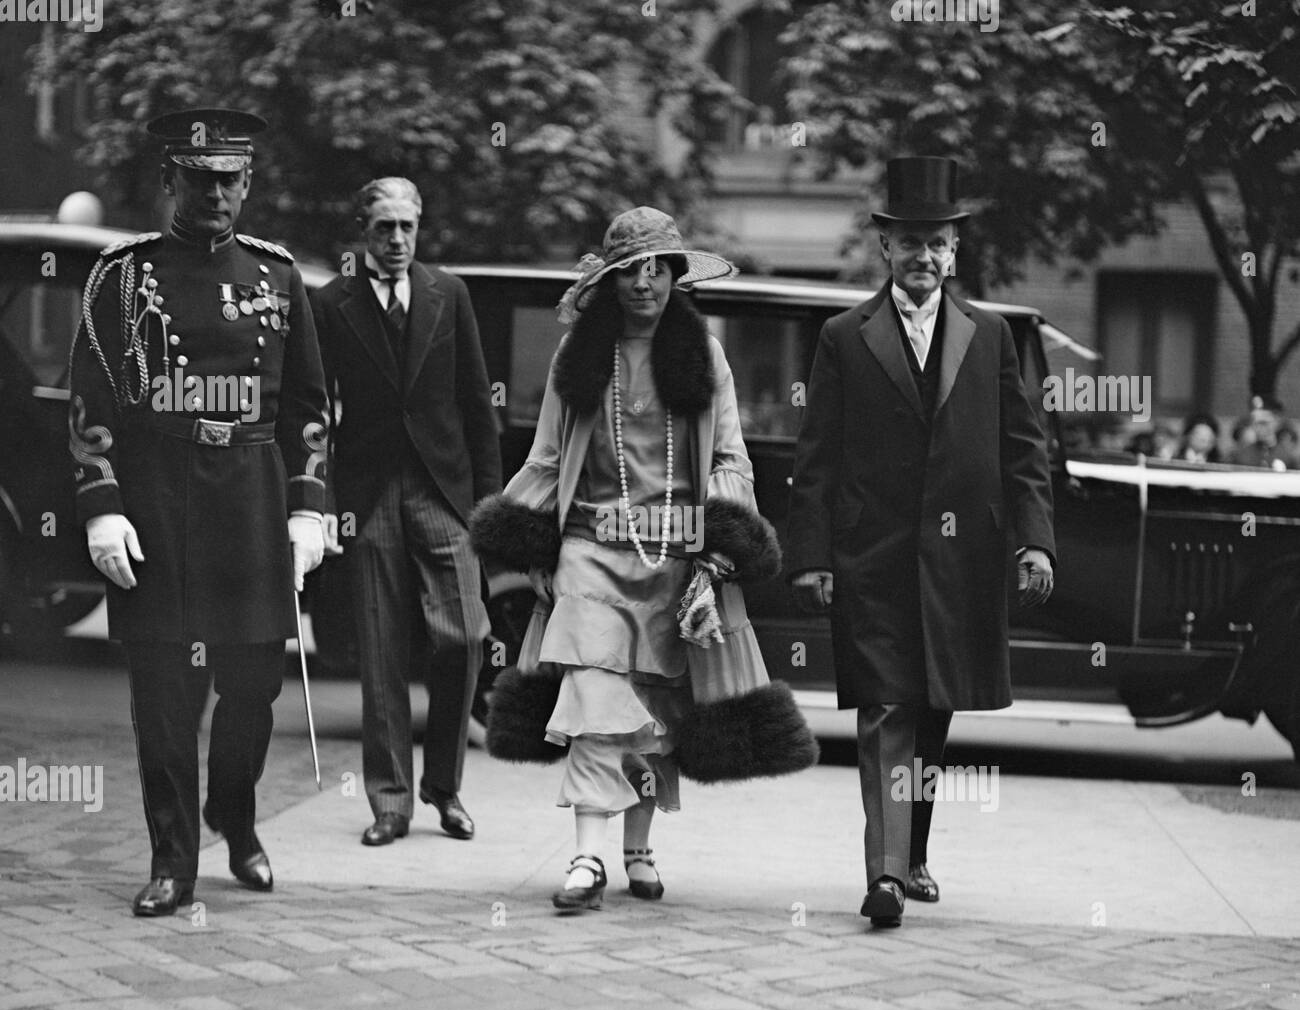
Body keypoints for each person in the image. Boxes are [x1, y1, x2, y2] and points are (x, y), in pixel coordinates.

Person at [470, 207, 817, 911]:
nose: (646, 282)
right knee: (596, 697)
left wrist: (717, 561)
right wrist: (532, 541)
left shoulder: (705, 357)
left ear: (676, 276)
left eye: (659, 268)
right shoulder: (578, 356)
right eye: (632, 270)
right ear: (611, 279)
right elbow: (544, 457)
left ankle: (638, 845)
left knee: (657, 709)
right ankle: (587, 858)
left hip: (676, 559)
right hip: (590, 553)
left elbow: (728, 459)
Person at [69, 108, 329, 917]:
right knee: (164, 695)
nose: (216, 194)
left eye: (230, 180)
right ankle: (173, 859)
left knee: (252, 686)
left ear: (247, 184)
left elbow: (311, 410)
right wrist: (101, 505)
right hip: (158, 499)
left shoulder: (277, 277)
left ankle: (237, 819)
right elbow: (90, 400)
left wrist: (309, 510)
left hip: (250, 498)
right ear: (172, 180)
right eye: (201, 178)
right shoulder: (123, 277)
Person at [786, 156, 1056, 928]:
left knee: (934, 711)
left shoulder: (991, 335)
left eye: (938, 244)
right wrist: (810, 556)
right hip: (871, 559)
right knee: (886, 711)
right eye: (911, 243)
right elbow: (818, 455)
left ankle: (914, 851)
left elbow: (1022, 449)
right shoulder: (844, 336)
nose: (925, 258)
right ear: (886, 247)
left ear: (954, 252)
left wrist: (1034, 543)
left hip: (962, 561)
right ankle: (884, 877)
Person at [311, 178, 502, 847]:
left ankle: (444, 787)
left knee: (466, 635)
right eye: (383, 227)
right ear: (361, 231)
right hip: (368, 497)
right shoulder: (330, 303)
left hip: (442, 492)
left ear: (420, 229)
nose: (396, 241)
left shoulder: (450, 294)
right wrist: (324, 503)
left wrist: (488, 507)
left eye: (407, 227)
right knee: (381, 651)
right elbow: (315, 414)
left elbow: (478, 405)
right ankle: (390, 801)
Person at [1232, 395, 1296, 470]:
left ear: (1276, 422)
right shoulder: (1242, 456)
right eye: (1255, 423)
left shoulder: (1286, 456)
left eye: (1264, 423)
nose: (1259, 428)